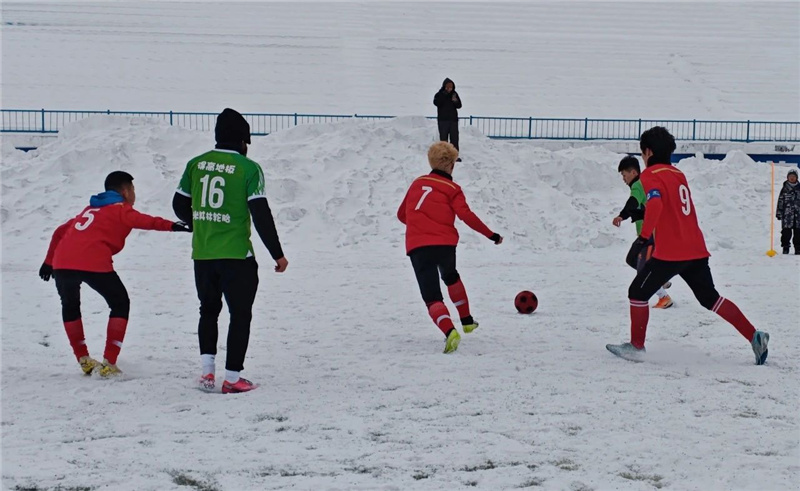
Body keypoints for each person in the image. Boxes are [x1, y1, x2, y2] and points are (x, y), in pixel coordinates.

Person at [606, 127, 770, 365]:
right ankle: (754, 336)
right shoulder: (678, 174)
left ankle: (636, 347)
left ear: (648, 152)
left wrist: (643, 237)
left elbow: (656, 204)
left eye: (642, 153)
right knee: (710, 298)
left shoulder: (650, 174)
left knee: (637, 293)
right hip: (695, 249)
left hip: (670, 252)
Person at [173, 108, 288, 394]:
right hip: (237, 257)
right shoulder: (249, 169)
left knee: (208, 311)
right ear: (242, 141)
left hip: (203, 254)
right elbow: (260, 214)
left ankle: (207, 374)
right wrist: (277, 254)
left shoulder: (196, 164)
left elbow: (178, 204)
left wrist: (197, 223)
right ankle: (233, 377)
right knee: (240, 315)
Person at [38, 171, 191, 377]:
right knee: (120, 303)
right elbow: (147, 221)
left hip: (62, 263)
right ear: (126, 191)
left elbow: (59, 231)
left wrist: (48, 262)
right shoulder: (121, 210)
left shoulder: (90, 209)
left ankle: (83, 359)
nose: (134, 194)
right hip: (92, 261)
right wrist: (173, 226)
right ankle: (109, 363)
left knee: (70, 306)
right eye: (133, 190)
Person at [397, 141, 502, 353]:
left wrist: (420, 225)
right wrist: (492, 235)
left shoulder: (417, 183)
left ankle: (449, 331)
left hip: (418, 246)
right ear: (452, 166)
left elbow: (401, 215)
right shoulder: (453, 189)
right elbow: (466, 216)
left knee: (432, 297)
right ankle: (467, 320)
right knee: (451, 276)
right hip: (445, 244)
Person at [613, 155, 673, 308]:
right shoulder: (644, 184)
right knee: (633, 260)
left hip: (649, 234)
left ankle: (664, 297)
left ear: (633, 172)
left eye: (624, 175)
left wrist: (621, 215)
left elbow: (632, 202)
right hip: (652, 233)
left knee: (640, 265)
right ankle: (660, 278)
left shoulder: (637, 185)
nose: (624, 179)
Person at [433, 78, 462, 161]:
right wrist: (444, 95)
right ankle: (444, 156)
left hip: (453, 120)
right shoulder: (439, 94)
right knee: (444, 140)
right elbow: (436, 103)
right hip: (443, 121)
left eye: (451, 87)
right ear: (444, 86)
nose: (449, 89)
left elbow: (459, 105)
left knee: (454, 139)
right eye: (448, 87)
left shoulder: (454, 94)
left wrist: (455, 101)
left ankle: (454, 156)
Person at [776, 168, 800, 254]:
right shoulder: (784, 189)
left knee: (798, 234)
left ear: (796, 178)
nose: (792, 178)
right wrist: (779, 212)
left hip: (798, 216)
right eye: (790, 176)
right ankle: (785, 247)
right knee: (786, 233)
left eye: (794, 176)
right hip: (787, 216)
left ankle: (798, 248)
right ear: (787, 177)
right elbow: (780, 201)